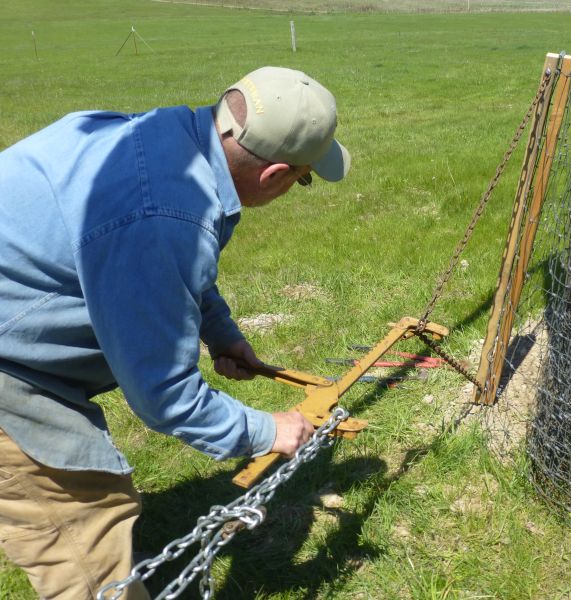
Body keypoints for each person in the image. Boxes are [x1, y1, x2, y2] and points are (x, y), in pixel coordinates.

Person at [0, 66, 350, 599]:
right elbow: (163, 394)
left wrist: (220, 332)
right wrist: (268, 431)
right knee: (83, 521)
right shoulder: (162, 214)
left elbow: (170, 269)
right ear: (275, 173)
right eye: (303, 178)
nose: (295, 188)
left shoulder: (165, 141)